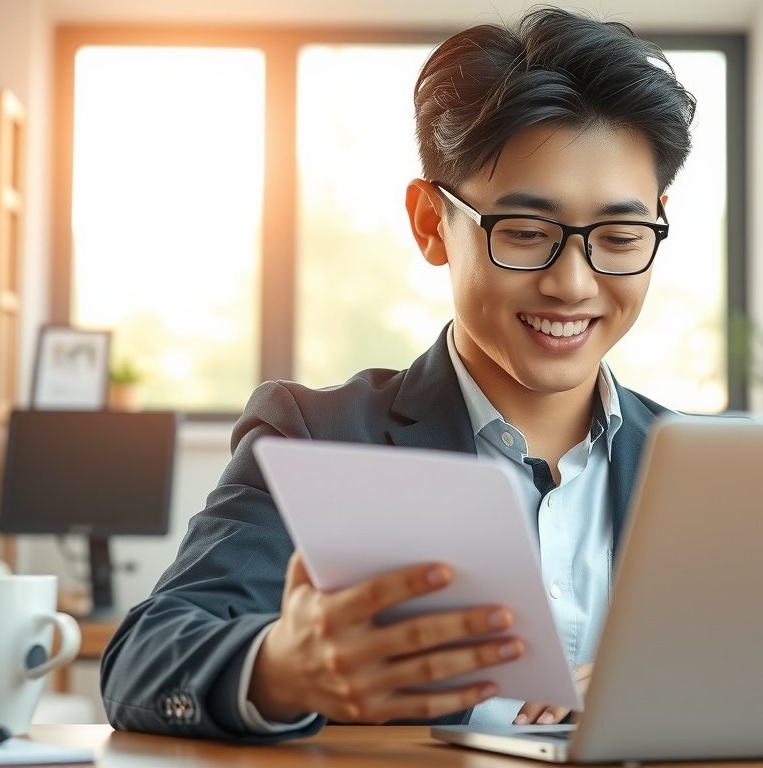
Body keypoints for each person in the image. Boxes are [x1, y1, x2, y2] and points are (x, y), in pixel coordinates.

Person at [100, 6, 696, 742]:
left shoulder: (706, 472)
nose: (572, 284)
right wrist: (284, 668)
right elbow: (141, 661)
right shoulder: (317, 437)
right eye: (525, 233)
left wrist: (684, 685)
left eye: (619, 237)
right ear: (430, 222)